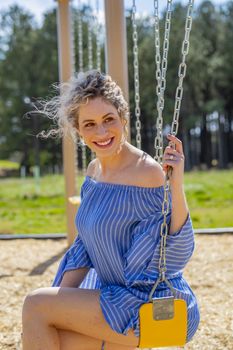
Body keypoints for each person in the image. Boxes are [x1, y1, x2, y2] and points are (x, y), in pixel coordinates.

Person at [22, 70, 200, 350]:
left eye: (108, 120)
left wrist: (176, 185)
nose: (102, 132)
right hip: (115, 299)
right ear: (78, 130)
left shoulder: (147, 173)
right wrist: (63, 299)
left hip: (150, 306)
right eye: (90, 124)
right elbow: (85, 246)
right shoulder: (94, 172)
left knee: (35, 304)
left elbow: (177, 250)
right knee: (52, 335)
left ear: (123, 118)